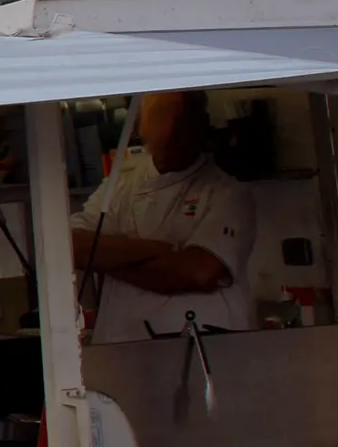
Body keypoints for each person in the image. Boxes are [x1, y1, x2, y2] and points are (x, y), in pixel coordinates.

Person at [71, 90, 257, 345]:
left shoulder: (229, 194)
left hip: (205, 348)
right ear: (140, 126)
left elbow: (197, 272)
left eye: (181, 119)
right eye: (160, 116)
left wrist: (107, 259)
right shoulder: (119, 185)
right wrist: (155, 250)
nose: (170, 129)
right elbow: (72, 246)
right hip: (123, 351)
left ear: (200, 125)